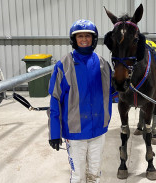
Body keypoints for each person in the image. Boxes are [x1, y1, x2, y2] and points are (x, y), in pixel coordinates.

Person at [48, 19, 112, 183]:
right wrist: (55, 133)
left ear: (94, 39)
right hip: (75, 133)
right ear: (74, 40)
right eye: (80, 36)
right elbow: (55, 100)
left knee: (94, 175)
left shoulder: (103, 64)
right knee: (78, 176)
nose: (84, 39)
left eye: (88, 36)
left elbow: (111, 94)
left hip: (98, 130)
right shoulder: (63, 65)